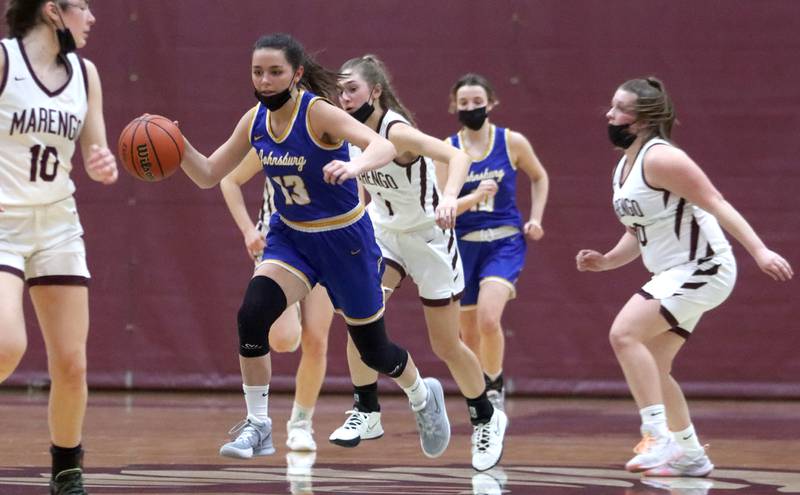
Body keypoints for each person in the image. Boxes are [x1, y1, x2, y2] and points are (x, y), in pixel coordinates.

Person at [178, 33, 451, 460]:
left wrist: (354, 163)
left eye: (275, 72)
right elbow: (210, 173)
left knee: (373, 349)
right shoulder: (253, 121)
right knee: (253, 315)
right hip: (292, 239)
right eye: (257, 72)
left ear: (297, 73)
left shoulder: (319, 112)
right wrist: (176, 147)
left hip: (345, 240)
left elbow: (382, 144)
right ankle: (259, 425)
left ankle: (421, 394)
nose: (265, 81)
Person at [576, 77, 794, 476]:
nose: (609, 114)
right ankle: (691, 454)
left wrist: (760, 250)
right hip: (675, 271)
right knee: (656, 367)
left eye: (619, 108)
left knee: (623, 334)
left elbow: (716, 202)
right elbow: (637, 232)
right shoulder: (624, 166)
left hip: (704, 267)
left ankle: (657, 437)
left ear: (641, 120)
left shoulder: (663, 158)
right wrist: (606, 261)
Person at [330, 55, 507, 471]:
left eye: (352, 88)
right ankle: (367, 409)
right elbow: (363, 185)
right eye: (339, 90)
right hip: (385, 236)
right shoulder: (349, 130)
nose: (344, 96)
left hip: (429, 238)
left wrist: (449, 197)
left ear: (374, 91)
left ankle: (486, 415)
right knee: (359, 319)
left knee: (446, 345)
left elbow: (457, 157)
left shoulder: (398, 130)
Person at [0, 1, 118, 493]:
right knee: (7, 345)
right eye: (83, 6)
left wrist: (102, 163)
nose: (91, 17)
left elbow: (95, 148)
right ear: (52, 10)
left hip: (57, 224)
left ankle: (67, 473)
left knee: (72, 363)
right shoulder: (5, 61)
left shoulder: (85, 73)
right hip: (2, 221)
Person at [218, 150, 334, 456]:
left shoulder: (340, 138)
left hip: (326, 243)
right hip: (279, 244)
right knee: (283, 338)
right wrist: (247, 230)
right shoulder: (274, 137)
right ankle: (291, 300)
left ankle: (301, 423)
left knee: (317, 341)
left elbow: (358, 198)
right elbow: (229, 179)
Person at [448, 73, 549, 412]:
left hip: (504, 241)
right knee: (468, 333)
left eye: (477, 102)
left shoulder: (511, 142)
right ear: (454, 107)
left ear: (491, 103)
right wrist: (474, 196)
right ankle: (479, 392)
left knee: (489, 319)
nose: (471, 107)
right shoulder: (446, 150)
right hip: (462, 244)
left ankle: (494, 386)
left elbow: (539, 176)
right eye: (464, 103)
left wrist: (536, 217)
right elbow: (442, 205)